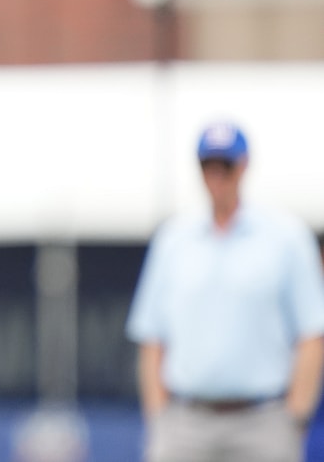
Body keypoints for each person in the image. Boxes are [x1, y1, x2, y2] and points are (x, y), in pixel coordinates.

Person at [126, 121, 324, 462]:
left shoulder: (285, 238)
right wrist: (159, 417)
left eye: (225, 166)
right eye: (208, 166)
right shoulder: (174, 240)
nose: (216, 176)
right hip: (186, 420)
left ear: (244, 166)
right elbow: (152, 337)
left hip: (263, 420)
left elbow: (311, 333)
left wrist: (295, 416)